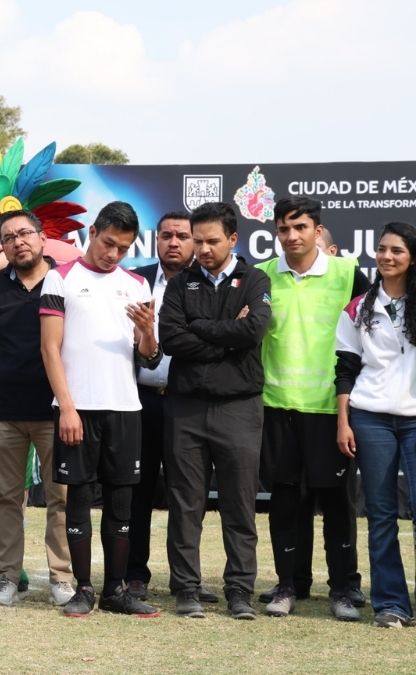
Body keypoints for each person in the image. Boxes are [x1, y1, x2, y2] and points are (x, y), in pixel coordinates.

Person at [40, 201, 162, 618]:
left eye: (123, 248)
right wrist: (67, 408)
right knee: (77, 497)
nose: (114, 254)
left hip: (125, 408)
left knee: (122, 501)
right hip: (77, 409)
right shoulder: (60, 278)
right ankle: (83, 589)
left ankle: (116, 590)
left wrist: (147, 331)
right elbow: (50, 348)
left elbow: (148, 356)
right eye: (108, 243)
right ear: (92, 232)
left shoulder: (137, 285)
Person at [256, 197, 369, 621]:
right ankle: (289, 584)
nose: (291, 236)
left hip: (331, 410)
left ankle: (343, 588)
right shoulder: (262, 274)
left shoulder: (347, 273)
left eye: (300, 227)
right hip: (276, 407)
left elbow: (369, 336)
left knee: (337, 503)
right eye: (284, 229)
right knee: (285, 502)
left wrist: (351, 405)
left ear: (317, 231)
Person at [158, 201, 272, 620]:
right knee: (185, 505)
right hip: (185, 408)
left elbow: (253, 330)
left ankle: (239, 591)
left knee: (239, 505)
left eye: (212, 241)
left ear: (233, 239)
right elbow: (171, 339)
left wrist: (200, 328)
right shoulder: (179, 284)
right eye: (198, 241)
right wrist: (227, 337)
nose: (203, 249)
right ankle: (186, 589)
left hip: (239, 408)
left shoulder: (255, 279)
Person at [0, 210, 73, 608]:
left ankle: (62, 577)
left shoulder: (65, 281)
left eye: (25, 233)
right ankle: (7, 577)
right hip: (5, 410)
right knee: (7, 497)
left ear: (42, 237)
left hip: (55, 409)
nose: (18, 241)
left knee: (60, 497)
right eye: (8, 237)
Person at [335, 221, 416, 628]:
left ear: (412, 257)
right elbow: (345, 369)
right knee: (381, 514)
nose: (386, 256)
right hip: (370, 418)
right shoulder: (358, 307)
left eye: (396, 250)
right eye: (382, 249)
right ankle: (391, 604)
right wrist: (344, 421)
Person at [126, 212, 198, 602]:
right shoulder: (134, 281)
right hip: (140, 401)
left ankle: (186, 579)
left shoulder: (204, 284)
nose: (173, 242)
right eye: (166, 235)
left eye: (182, 236)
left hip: (188, 403)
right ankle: (135, 574)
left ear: (195, 242)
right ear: (156, 240)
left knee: (187, 494)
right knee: (136, 492)